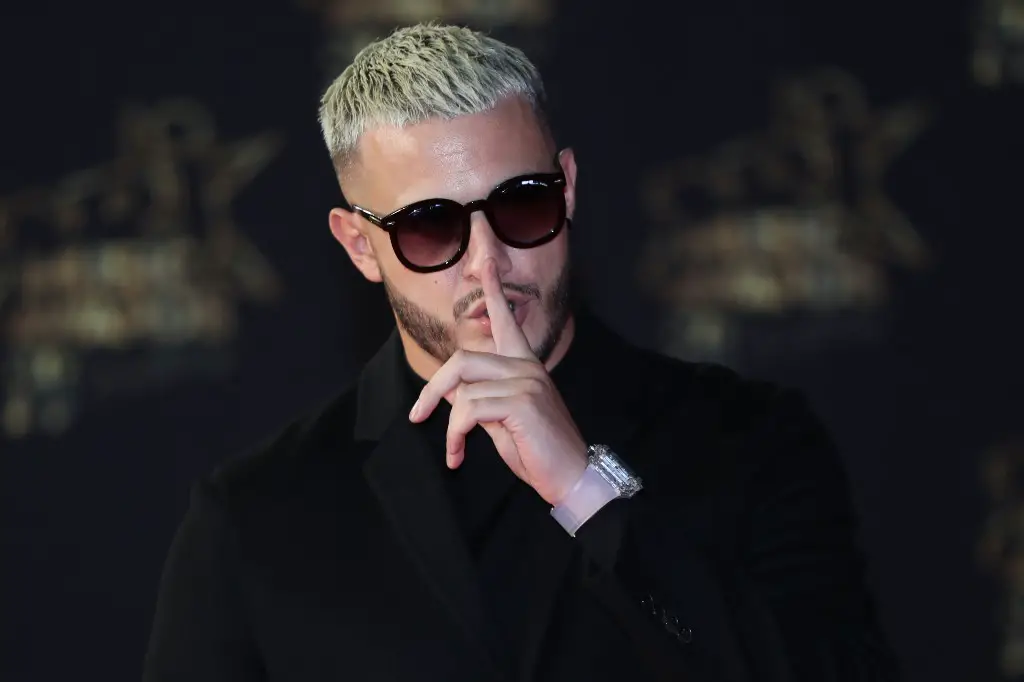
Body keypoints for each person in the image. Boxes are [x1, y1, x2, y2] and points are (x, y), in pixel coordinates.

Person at [143, 23, 898, 682]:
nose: (487, 262)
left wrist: (587, 490)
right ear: (359, 245)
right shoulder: (259, 514)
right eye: (430, 228)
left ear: (567, 190)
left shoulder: (751, 440)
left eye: (521, 202)